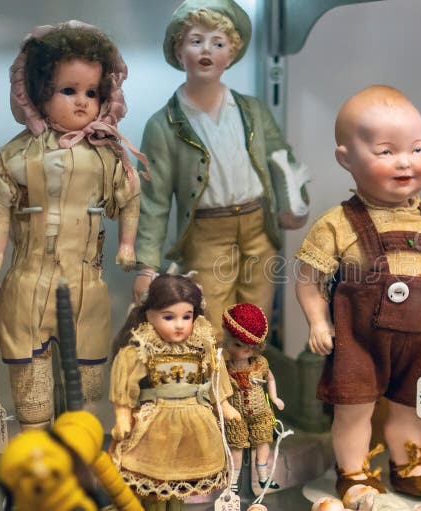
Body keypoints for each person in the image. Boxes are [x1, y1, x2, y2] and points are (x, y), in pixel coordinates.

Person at [295, 85, 421, 497]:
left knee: (414, 404)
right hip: (360, 337)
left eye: (416, 149)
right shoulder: (338, 223)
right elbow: (308, 278)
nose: (405, 163)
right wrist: (318, 320)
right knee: (354, 407)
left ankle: (406, 462)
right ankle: (354, 472)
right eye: (386, 152)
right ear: (347, 159)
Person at [0, 21, 141, 430]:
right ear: (36, 93)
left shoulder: (106, 155)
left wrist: (127, 243)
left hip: (86, 283)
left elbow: (129, 198)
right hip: (30, 281)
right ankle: (37, 452)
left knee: (84, 385)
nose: (82, 103)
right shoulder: (18, 155)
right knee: (31, 382)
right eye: (68, 91)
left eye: (91, 93)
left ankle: (78, 453)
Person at [133, 0, 310, 336]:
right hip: (207, 234)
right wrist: (146, 265)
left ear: (231, 53)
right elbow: (153, 202)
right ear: (179, 48)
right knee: (209, 321)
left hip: (259, 228)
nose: (207, 51)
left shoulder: (252, 110)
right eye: (196, 41)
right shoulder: (164, 125)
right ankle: (216, 386)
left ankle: (251, 385)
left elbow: (282, 159)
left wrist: (293, 204)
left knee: (255, 321)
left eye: (218, 43)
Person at [110, 274, 241, 511]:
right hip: (157, 422)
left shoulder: (201, 344)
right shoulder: (144, 346)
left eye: (186, 317)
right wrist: (122, 415)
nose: (179, 325)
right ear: (149, 314)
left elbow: (215, 373)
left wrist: (222, 404)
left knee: (180, 482)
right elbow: (124, 381)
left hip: (193, 421)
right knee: (154, 480)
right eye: (168, 317)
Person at [221, 302, 285, 491]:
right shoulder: (225, 367)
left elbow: (270, 379)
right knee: (237, 449)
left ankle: (264, 477)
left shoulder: (260, 364)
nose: (244, 351)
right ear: (228, 340)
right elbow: (220, 388)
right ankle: (232, 483)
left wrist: (274, 398)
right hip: (236, 416)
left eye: (250, 347)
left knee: (263, 443)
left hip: (260, 414)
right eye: (238, 345)